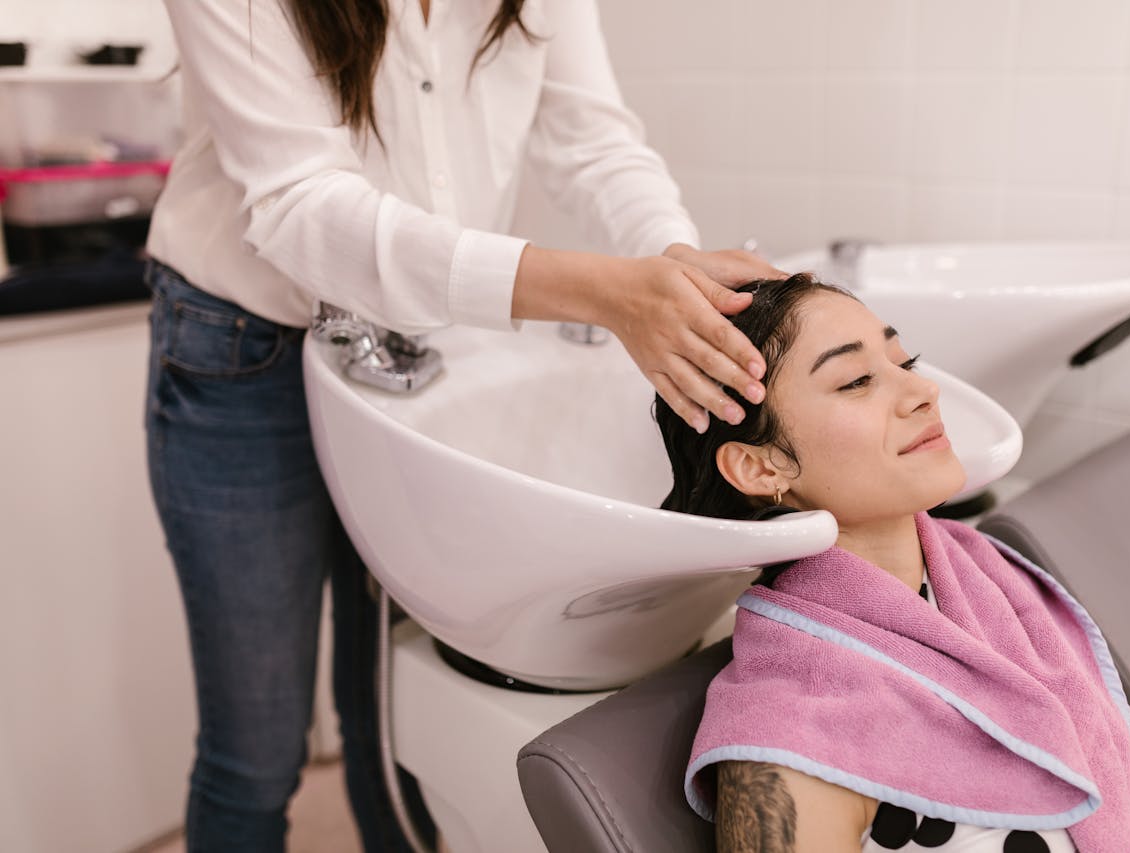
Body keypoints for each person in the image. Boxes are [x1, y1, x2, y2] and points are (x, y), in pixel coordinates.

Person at [145, 0, 783, 850]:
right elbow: (302, 204)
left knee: (390, 715)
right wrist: (598, 288)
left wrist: (671, 259)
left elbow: (592, 139)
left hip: (416, 342)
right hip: (244, 349)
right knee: (256, 750)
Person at [654, 273, 1130, 853]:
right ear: (762, 468)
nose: (923, 392)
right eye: (855, 380)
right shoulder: (794, 730)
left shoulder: (993, 593)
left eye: (905, 363)